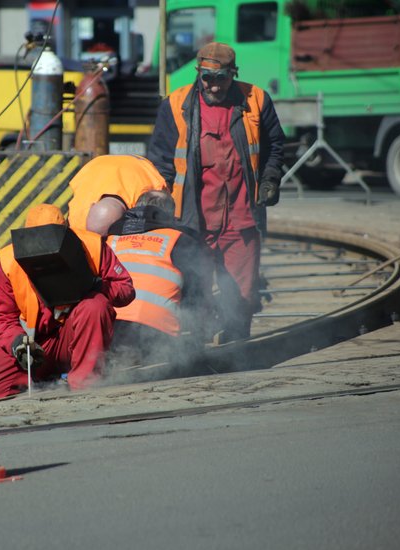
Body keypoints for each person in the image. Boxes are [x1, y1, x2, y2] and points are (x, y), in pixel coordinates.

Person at [147, 41, 285, 340]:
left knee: (242, 292)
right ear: (198, 74)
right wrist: (161, 202)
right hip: (194, 220)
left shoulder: (256, 99)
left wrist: (271, 178)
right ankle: (195, 348)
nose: (213, 86)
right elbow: (160, 159)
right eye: (206, 78)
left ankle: (237, 350)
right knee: (195, 291)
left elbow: (275, 145)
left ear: (233, 74)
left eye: (220, 78)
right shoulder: (176, 103)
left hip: (241, 218)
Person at [0, 204, 135, 400]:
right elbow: (1, 318)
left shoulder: (92, 246)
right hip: (35, 345)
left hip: (76, 337)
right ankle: (42, 378)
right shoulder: (9, 260)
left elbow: (126, 290)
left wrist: (98, 286)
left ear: (67, 232)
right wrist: (18, 343)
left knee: (95, 305)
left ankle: (86, 384)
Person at [104, 190, 214, 366]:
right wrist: (197, 345)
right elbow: (197, 297)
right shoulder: (180, 240)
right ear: (170, 215)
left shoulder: (110, 239)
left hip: (108, 336)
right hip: (157, 339)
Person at [67, 154, 168, 231]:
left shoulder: (148, 194)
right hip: (97, 165)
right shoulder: (77, 221)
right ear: (92, 207)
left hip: (136, 166)